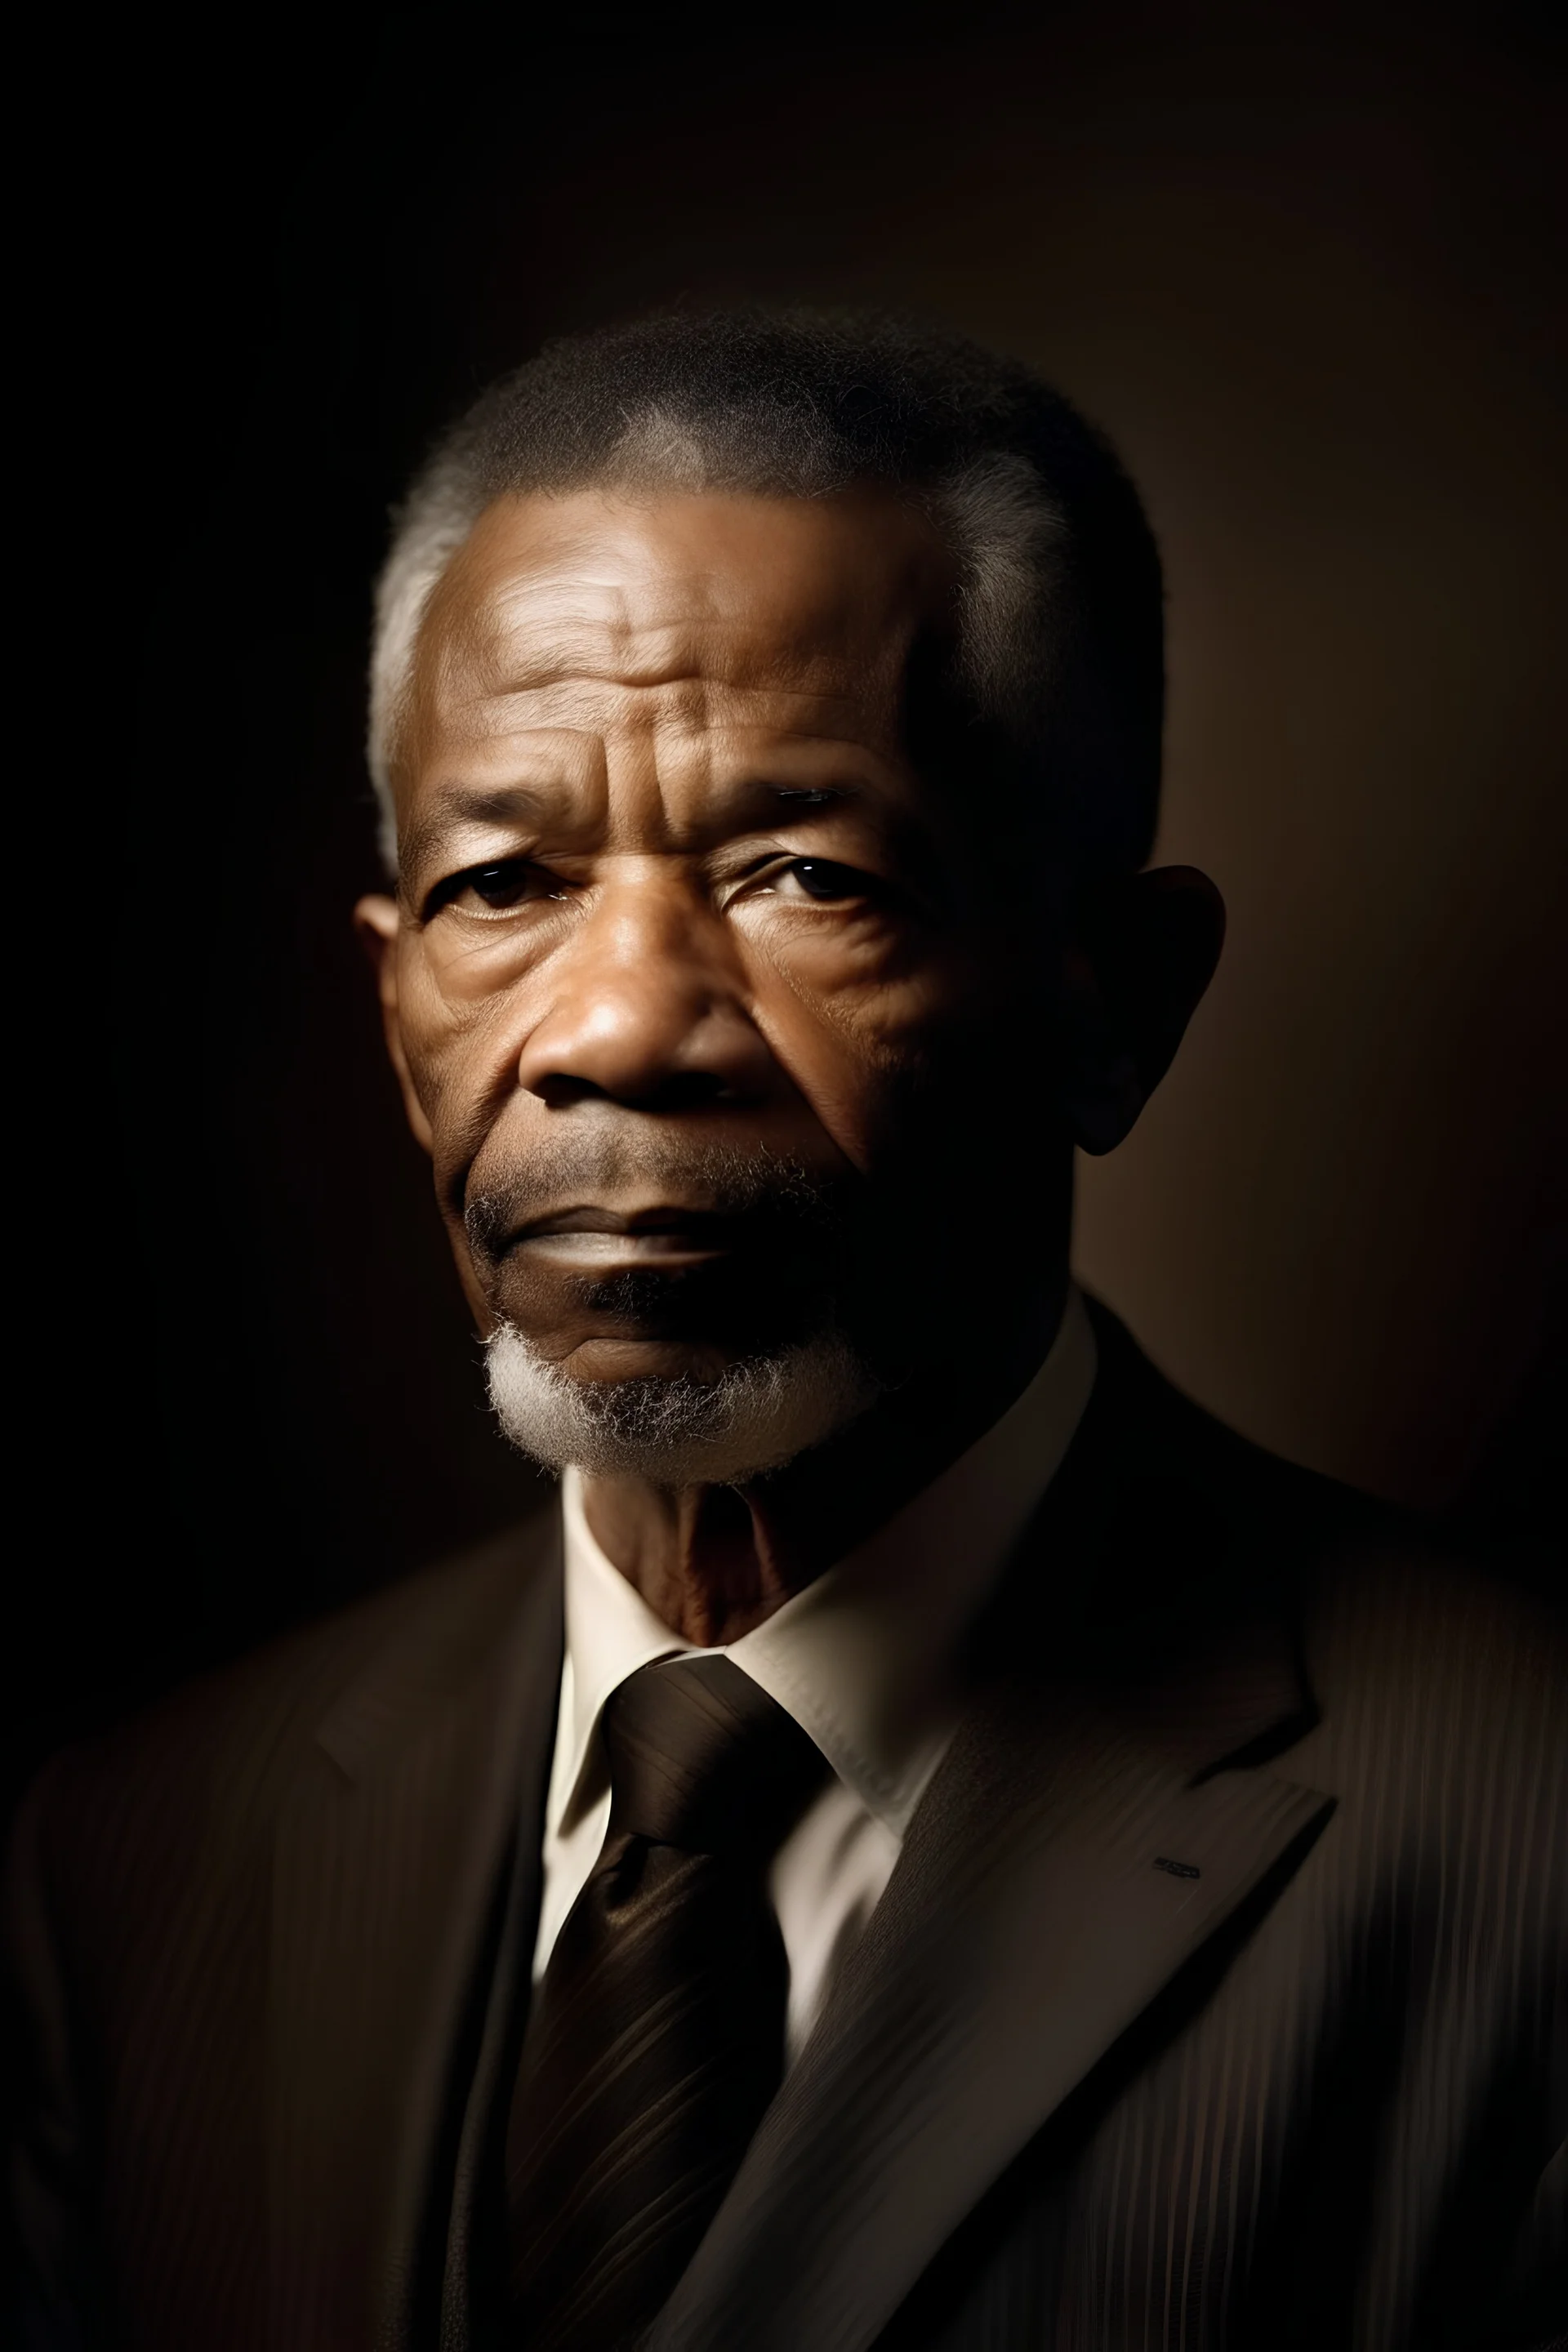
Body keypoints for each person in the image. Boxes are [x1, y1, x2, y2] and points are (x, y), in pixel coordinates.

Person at [7, 310, 1563, 2352]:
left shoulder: (1522, 1857)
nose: (619, 1025)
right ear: (395, 1014)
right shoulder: (136, 1878)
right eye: (505, 884)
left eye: (807, 872)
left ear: (1117, 1001)